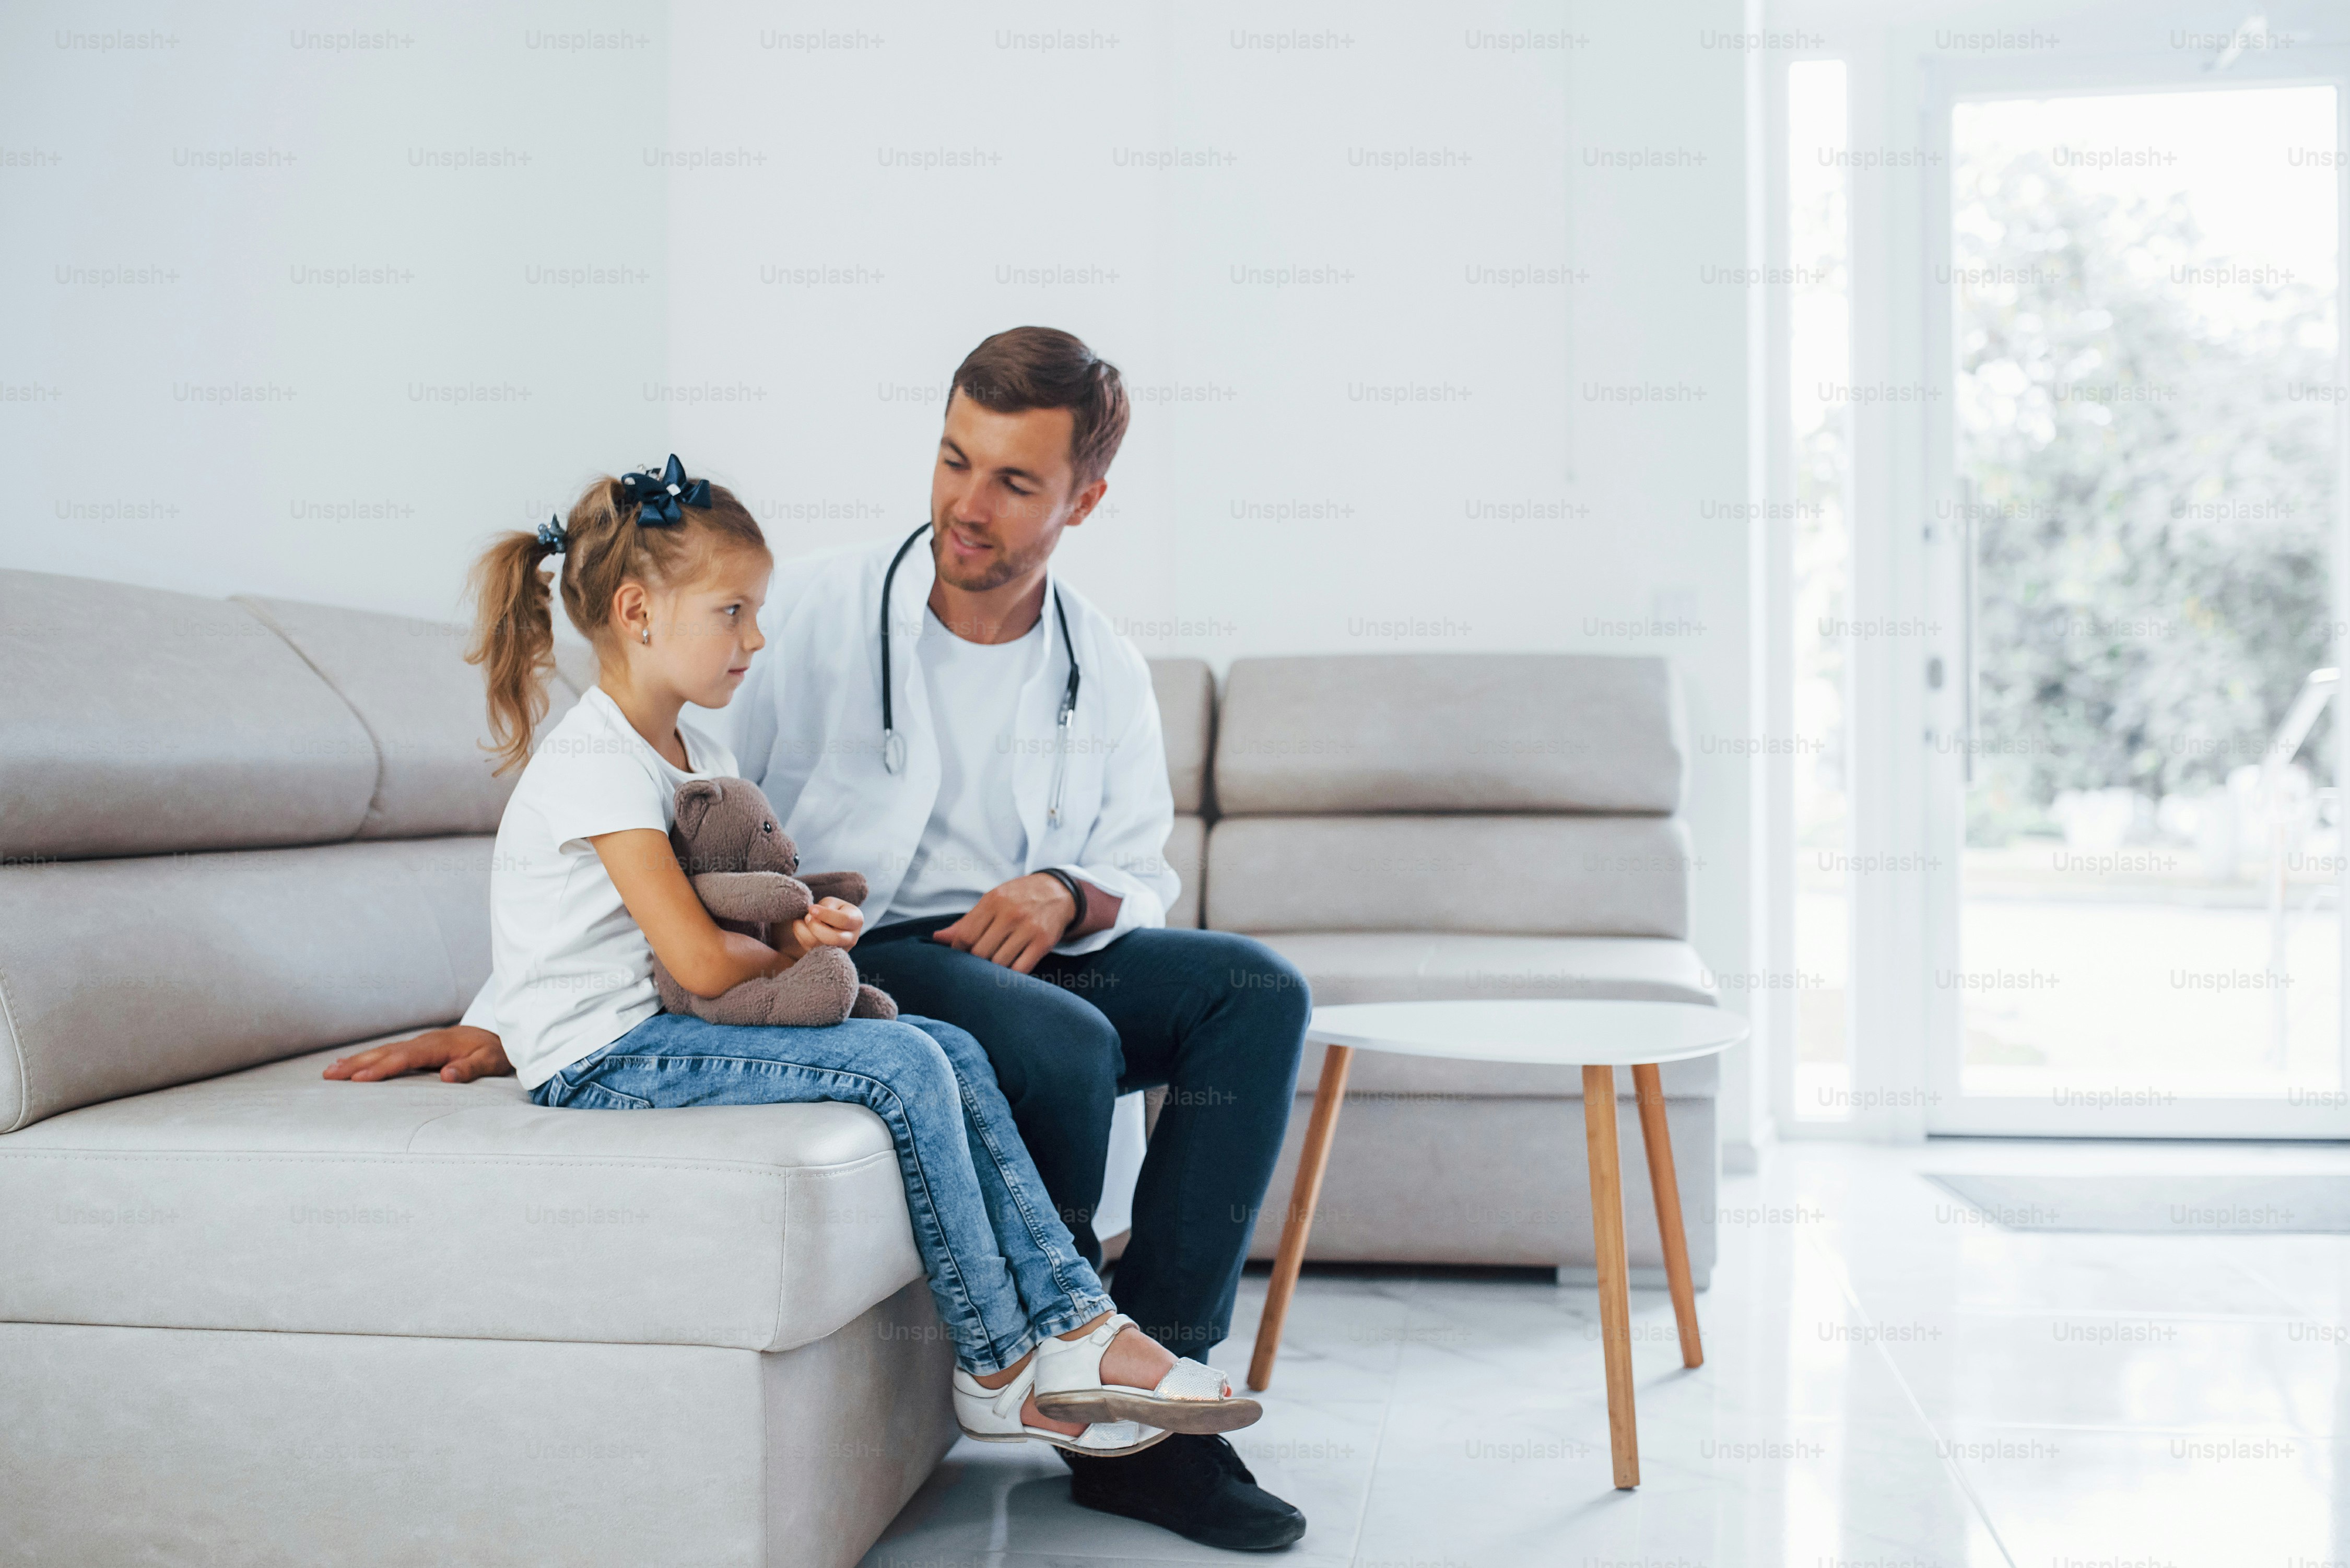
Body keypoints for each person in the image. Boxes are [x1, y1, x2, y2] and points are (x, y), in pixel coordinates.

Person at [332, 330, 1313, 1552]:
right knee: (1058, 1043)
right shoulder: (815, 615)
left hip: (1033, 940)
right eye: (956, 461)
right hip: (871, 939)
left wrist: (1066, 889)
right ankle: (1064, 1377)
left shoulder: (1100, 662)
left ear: (1085, 497)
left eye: (1015, 482)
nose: (967, 503)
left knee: (1256, 990)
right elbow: (659, 838)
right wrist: (507, 1010)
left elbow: (1138, 863)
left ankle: (1154, 1395)